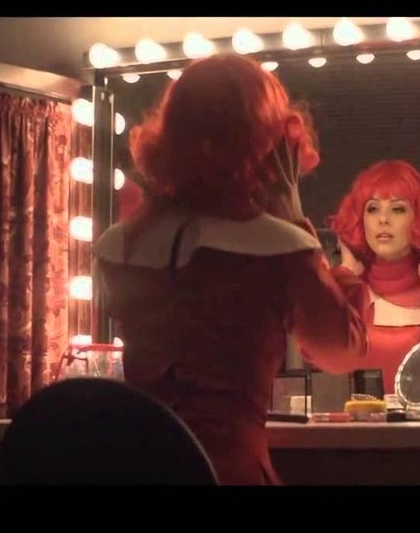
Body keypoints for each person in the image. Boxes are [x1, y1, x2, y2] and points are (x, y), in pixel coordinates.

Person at [91, 55, 369, 485]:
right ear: (271, 146)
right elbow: (340, 351)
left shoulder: (117, 246)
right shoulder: (281, 246)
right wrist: (295, 220)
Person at [328, 159, 420, 395]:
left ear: (419, 219)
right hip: (352, 419)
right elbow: (318, 356)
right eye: (373, 209)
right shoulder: (346, 293)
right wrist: (347, 272)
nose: (383, 219)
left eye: (397, 209)